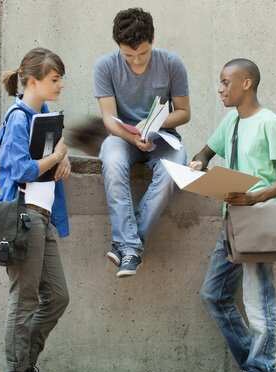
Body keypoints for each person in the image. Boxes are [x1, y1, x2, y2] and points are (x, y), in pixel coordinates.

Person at [189, 58, 276, 372]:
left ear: (247, 83)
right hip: (231, 222)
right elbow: (206, 152)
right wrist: (199, 162)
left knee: (258, 300)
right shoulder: (231, 123)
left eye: (226, 82)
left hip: (257, 219)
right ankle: (256, 370)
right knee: (214, 294)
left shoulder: (271, 123)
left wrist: (256, 197)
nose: (220, 88)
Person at [0, 47, 72, 372]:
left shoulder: (45, 116)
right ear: (33, 80)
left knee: (56, 296)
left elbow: (45, 167)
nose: (59, 86)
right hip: (23, 217)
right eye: (54, 80)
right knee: (24, 297)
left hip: (43, 216)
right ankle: (18, 371)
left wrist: (62, 163)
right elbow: (18, 168)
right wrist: (55, 157)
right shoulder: (18, 117)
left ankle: (25, 364)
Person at [93, 7, 190, 277]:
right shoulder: (105, 67)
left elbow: (184, 112)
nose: (136, 62)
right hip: (122, 138)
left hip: (163, 138)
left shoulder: (172, 64)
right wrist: (133, 136)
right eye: (129, 56)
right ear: (118, 47)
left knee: (176, 168)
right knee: (111, 161)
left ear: (153, 41)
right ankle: (132, 247)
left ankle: (126, 246)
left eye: (143, 54)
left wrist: (154, 126)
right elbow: (110, 119)